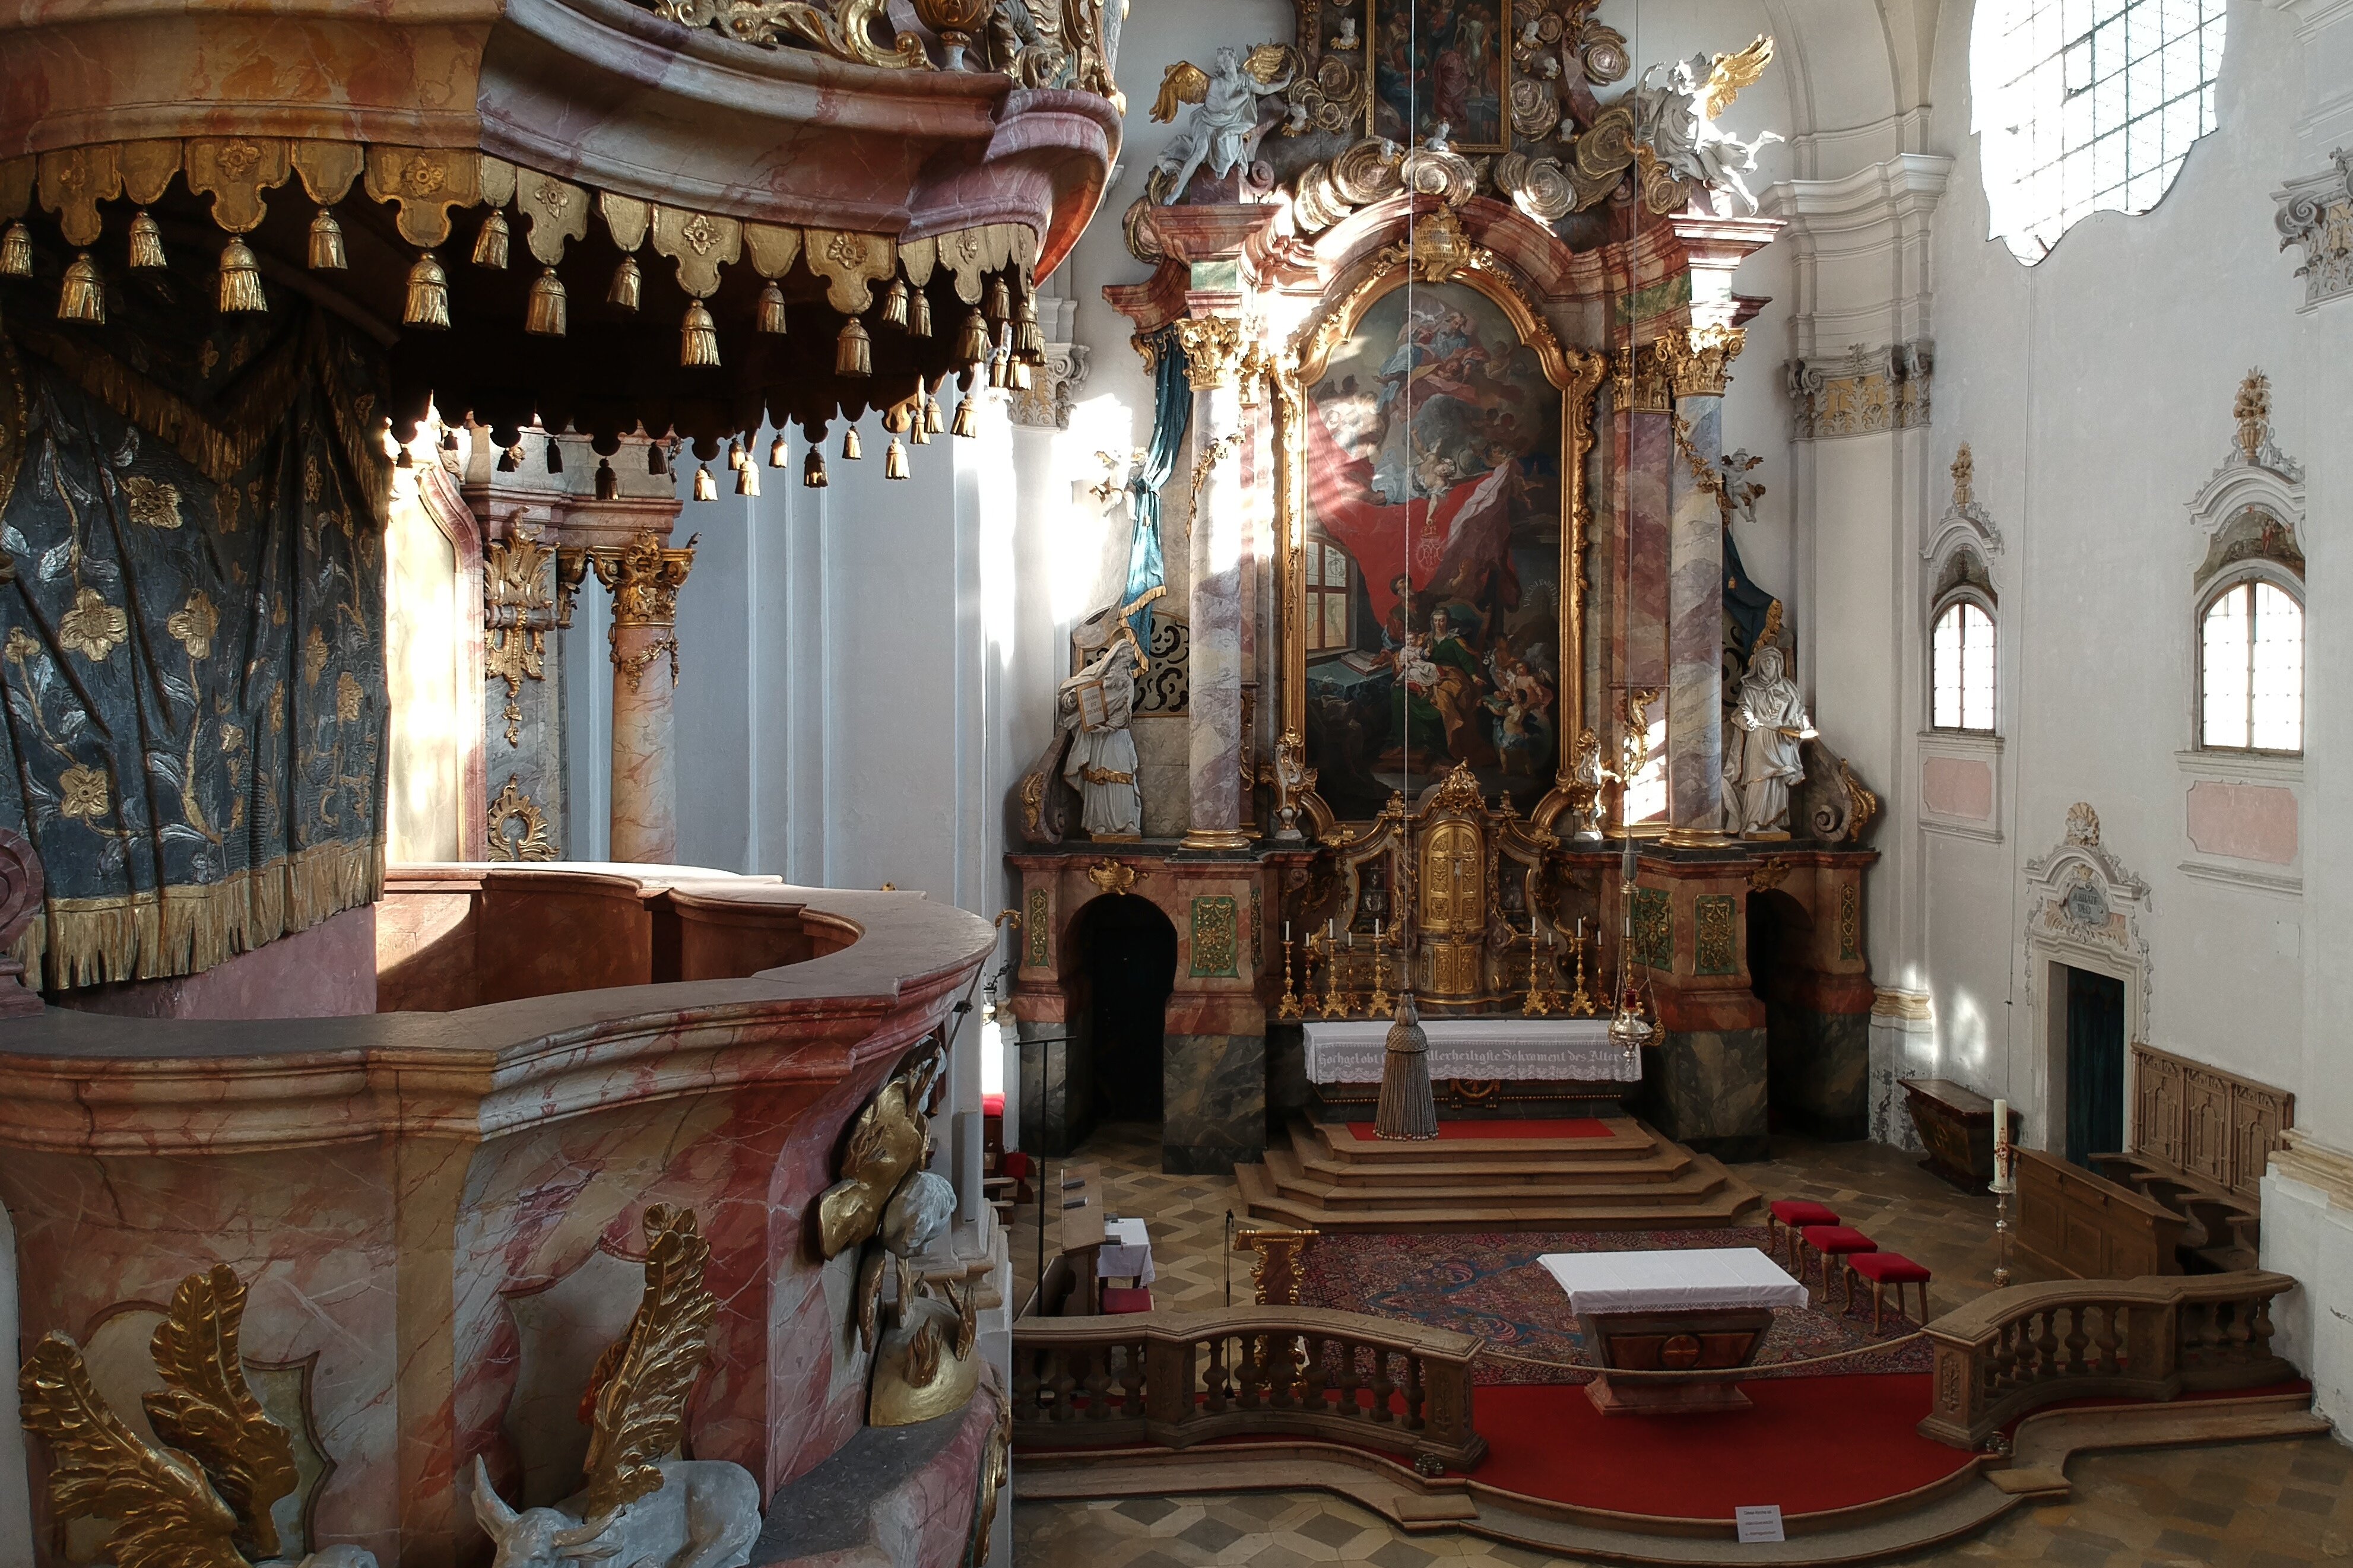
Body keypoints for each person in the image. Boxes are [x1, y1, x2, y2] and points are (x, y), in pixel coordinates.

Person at [1057, 631, 1144, 839]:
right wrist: (1070, 700)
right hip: (1096, 738)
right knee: (1098, 779)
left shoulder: (1127, 682)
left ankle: (1126, 823)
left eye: (1129, 663)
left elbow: (1126, 713)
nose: (1126, 665)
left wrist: (1110, 726)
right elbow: (1072, 694)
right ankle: (1099, 823)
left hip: (1116, 736)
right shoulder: (1094, 677)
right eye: (1123, 660)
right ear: (1113, 659)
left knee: (1123, 776)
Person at [1729, 644, 1815, 834]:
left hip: (1782, 738)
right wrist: (1749, 720)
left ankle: (1771, 822)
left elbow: (1798, 712)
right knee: (1758, 779)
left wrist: (1805, 726)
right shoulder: (1751, 687)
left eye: (1771, 661)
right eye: (1764, 661)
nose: (1768, 664)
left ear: (1778, 664)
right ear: (1758, 666)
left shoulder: (1788, 688)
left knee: (1777, 781)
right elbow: (1743, 709)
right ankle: (1752, 821)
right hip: (1760, 736)